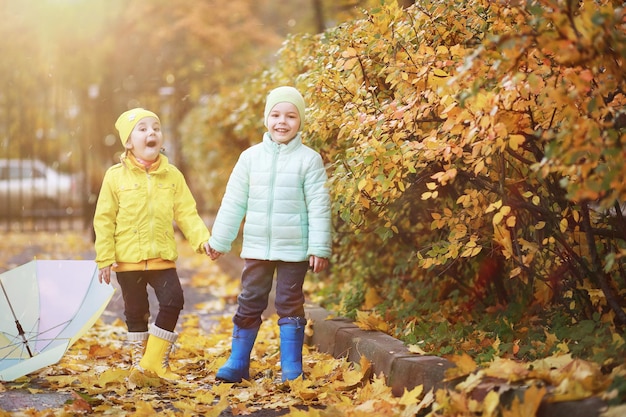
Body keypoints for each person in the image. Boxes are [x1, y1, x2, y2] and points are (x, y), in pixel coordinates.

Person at [208, 86, 332, 383]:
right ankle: (238, 362)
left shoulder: (309, 159)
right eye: (276, 114)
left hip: (295, 250)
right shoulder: (250, 158)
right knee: (250, 300)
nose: (282, 122)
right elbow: (234, 201)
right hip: (257, 248)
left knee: (290, 303)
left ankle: (291, 367)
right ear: (266, 118)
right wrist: (219, 241)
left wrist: (319, 247)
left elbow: (319, 205)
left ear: (300, 121)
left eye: (290, 116)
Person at [94, 108, 211, 381]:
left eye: (155, 128)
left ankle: (154, 362)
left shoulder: (172, 175)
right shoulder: (115, 176)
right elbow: (104, 219)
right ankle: (140, 364)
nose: (151, 133)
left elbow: (186, 212)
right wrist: (104, 257)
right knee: (136, 312)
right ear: (128, 142)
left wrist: (202, 239)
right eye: (143, 129)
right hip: (128, 259)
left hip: (161, 255)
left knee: (174, 300)